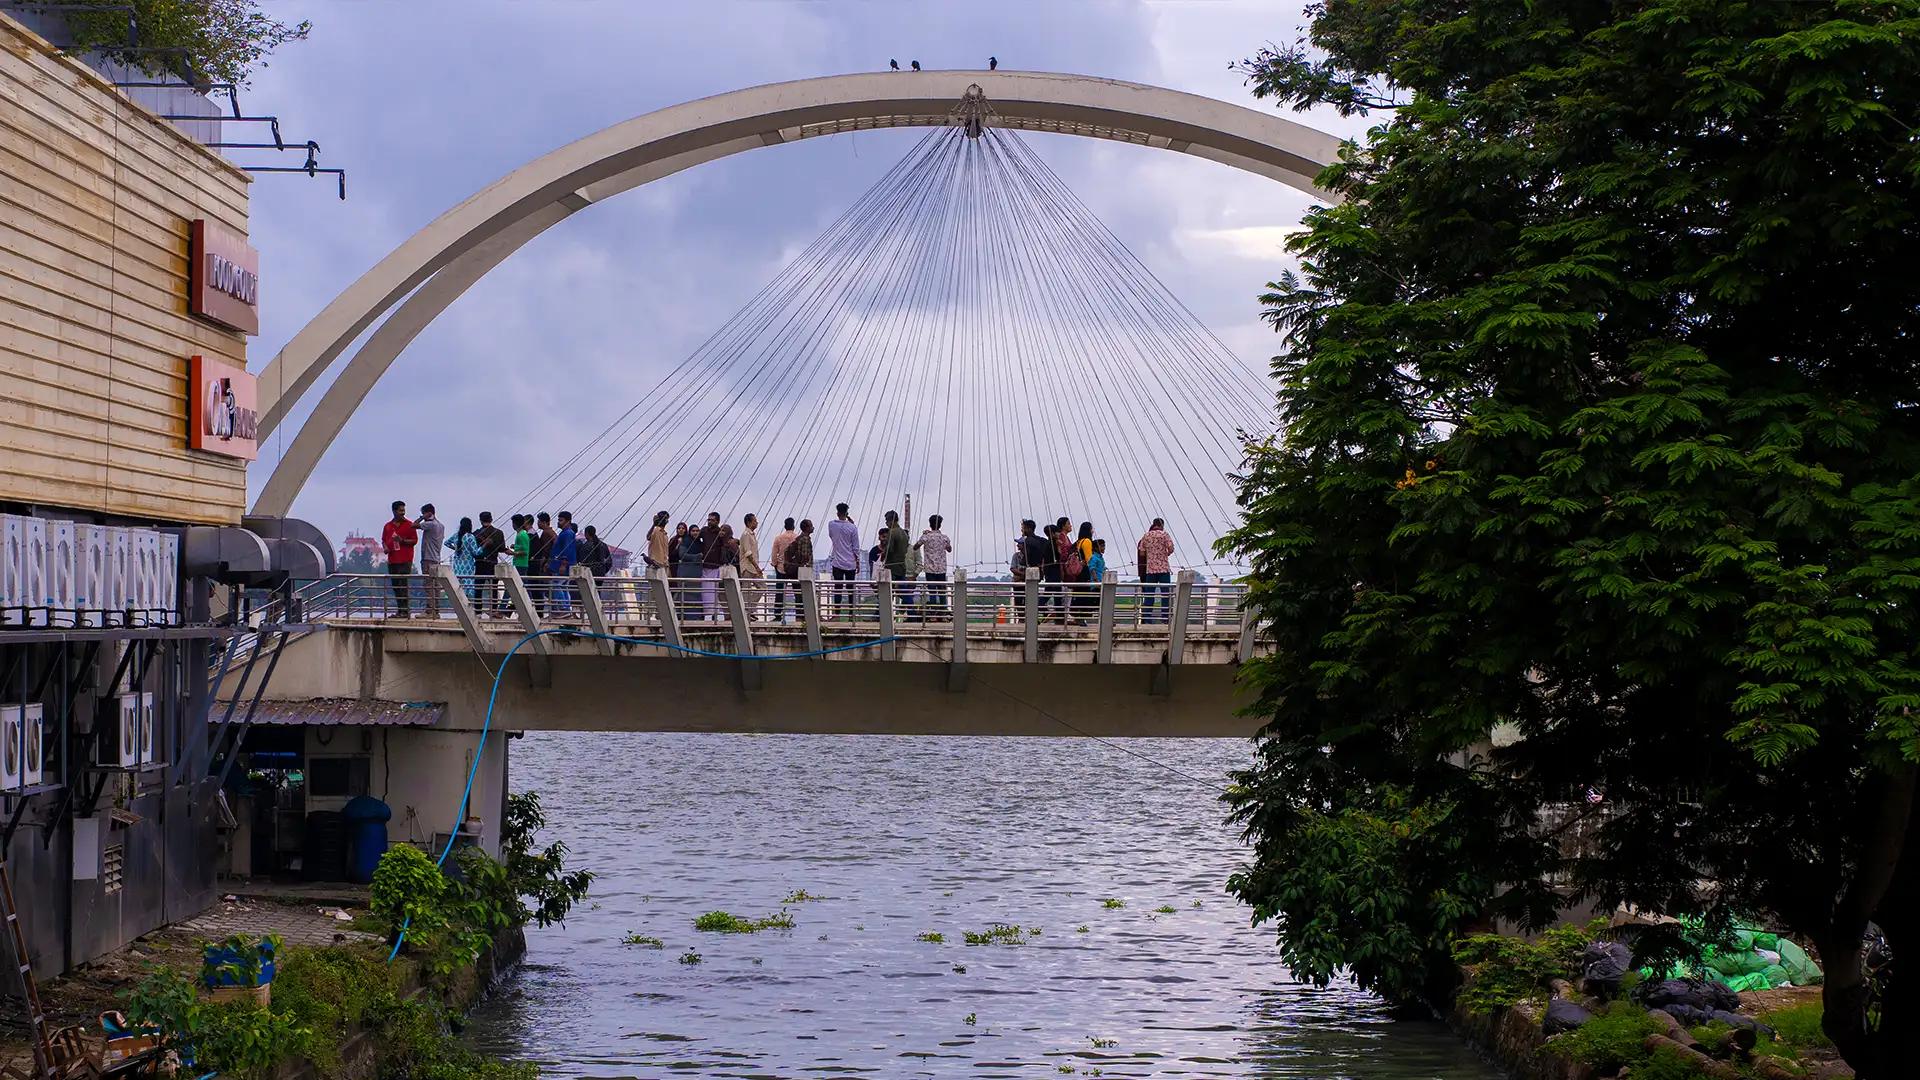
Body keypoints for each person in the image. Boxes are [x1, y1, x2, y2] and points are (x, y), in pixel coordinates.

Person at [381, 500, 418, 617]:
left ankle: (405, 611)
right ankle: (400, 610)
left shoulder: (409, 525)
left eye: (404, 510)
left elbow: (414, 541)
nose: (403, 513)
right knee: (396, 586)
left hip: (405, 560)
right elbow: (383, 540)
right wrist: (386, 547)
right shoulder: (388, 526)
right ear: (394, 511)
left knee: (403, 585)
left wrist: (402, 541)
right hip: (392, 560)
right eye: (400, 510)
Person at [915, 514, 952, 620]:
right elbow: (949, 549)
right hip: (941, 569)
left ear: (930, 524)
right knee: (942, 591)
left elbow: (916, 547)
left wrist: (924, 534)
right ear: (940, 525)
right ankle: (943, 611)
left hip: (930, 569)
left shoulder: (926, 537)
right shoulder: (944, 538)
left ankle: (933, 612)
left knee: (932, 591)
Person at [1137, 517, 1175, 624]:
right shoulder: (1164, 535)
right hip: (1163, 569)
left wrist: (1151, 555)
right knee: (1165, 594)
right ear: (1162, 525)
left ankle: (1147, 619)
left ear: (1153, 524)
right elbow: (1171, 548)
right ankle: (1165, 618)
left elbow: (1142, 552)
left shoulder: (1146, 536)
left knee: (1149, 595)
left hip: (1150, 570)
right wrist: (1165, 554)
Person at [827, 503, 859, 619]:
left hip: (837, 562)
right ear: (847, 513)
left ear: (837, 513)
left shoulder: (831, 525)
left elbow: (832, 536)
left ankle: (836, 613)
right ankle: (851, 613)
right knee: (851, 589)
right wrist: (858, 562)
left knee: (838, 588)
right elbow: (855, 547)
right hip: (850, 562)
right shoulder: (852, 527)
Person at [414, 504, 446, 617]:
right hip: (436, 558)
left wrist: (422, 518)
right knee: (435, 586)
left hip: (428, 558)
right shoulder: (441, 525)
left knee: (428, 585)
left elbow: (413, 525)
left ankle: (429, 610)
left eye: (423, 513)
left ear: (428, 513)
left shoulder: (430, 524)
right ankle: (436, 610)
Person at [473, 511, 506, 615]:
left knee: (478, 588)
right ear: (491, 520)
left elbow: (473, 549)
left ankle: (478, 611)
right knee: (493, 588)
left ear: (480, 520)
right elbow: (501, 548)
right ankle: (494, 610)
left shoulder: (476, 533)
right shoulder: (499, 533)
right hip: (492, 562)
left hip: (480, 563)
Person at [783, 519, 815, 623]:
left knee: (798, 594)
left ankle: (799, 616)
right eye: (811, 526)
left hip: (795, 570)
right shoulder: (805, 539)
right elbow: (805, 557)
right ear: (807, 528)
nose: (813, 527)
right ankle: (804, 616)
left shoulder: (799, 538)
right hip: (802, 571)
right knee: (804, 593)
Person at [769, 517, 798, 623]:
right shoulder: (797, 537)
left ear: (785, 526)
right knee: (798, 592)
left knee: (779, 592)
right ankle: (800, 614)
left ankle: (777, 614)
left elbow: (774, 554)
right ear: (793, 526)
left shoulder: (779, 538)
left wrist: (775, 564)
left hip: (781, 568)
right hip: (794, 569)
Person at [699, 511, 726, 620]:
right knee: (705, 592)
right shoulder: (704, 531)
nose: (710, 522)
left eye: (712, 520)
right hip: (705, 566)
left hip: (715, 566)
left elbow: (726, 544)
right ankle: (706, 614)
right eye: (709, 520)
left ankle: (715, 614)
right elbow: (695, 539)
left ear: (717, 521)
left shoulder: (720, 533)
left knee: (714, 591)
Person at [882, 510, 909, 615]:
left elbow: (890, 550)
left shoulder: (892, 533)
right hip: (902, 565)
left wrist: (883, 555)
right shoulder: (903, 533)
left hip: (891, 567)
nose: (886, 524)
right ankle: (912, 613)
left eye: (886, 521)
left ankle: (880, 615)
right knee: (904, 592)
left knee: (886, 592)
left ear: (891, 521)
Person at [672, 521, 702, 615]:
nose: (695, 533)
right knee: (683, 594)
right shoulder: (685, 541)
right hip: (685, 573)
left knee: (695, 596)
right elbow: (682, 555)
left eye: (697, 531)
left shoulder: (700, 544)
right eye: (693, 531)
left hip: (696, 575)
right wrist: (697, 556)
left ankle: (696, 617)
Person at [448, 516, 480, 601]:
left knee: (458, 582)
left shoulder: (456, 536)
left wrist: (455, 549)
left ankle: (459, 600)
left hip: (457, 563)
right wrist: (484, 546)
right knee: (468, 582)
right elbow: (476, 552)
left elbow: (446, 543)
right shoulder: (470, 537)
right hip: (468, 564)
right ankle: (467, 601)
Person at [529, 512, 556, 615]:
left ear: (544, 522)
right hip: (550, 563)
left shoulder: (546, 533)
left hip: (546, 565)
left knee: (542, 589)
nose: (538, 523)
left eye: (539, 521)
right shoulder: (552, 532)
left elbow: (545, 550)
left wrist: (545, 562)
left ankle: (542, 611)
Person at [739, 513, 763, 618]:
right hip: (748, 567)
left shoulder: (752, 534)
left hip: (753, 567)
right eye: (754, 521)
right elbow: (748, 553)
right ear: (749, 522)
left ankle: (749, 608)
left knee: (763, 588)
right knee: (746, 590)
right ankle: (746, 612)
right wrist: (757, 567)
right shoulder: (746, 535)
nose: (756, 522)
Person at [1073, 521, 1096, 621]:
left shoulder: (1079, 542)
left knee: (1079, 593)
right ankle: (1083, 617)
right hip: (1085, 571)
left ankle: (1078, 616)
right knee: (1085, 593)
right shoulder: (1087, 541)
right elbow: (1089, 559)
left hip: (1078, 571)